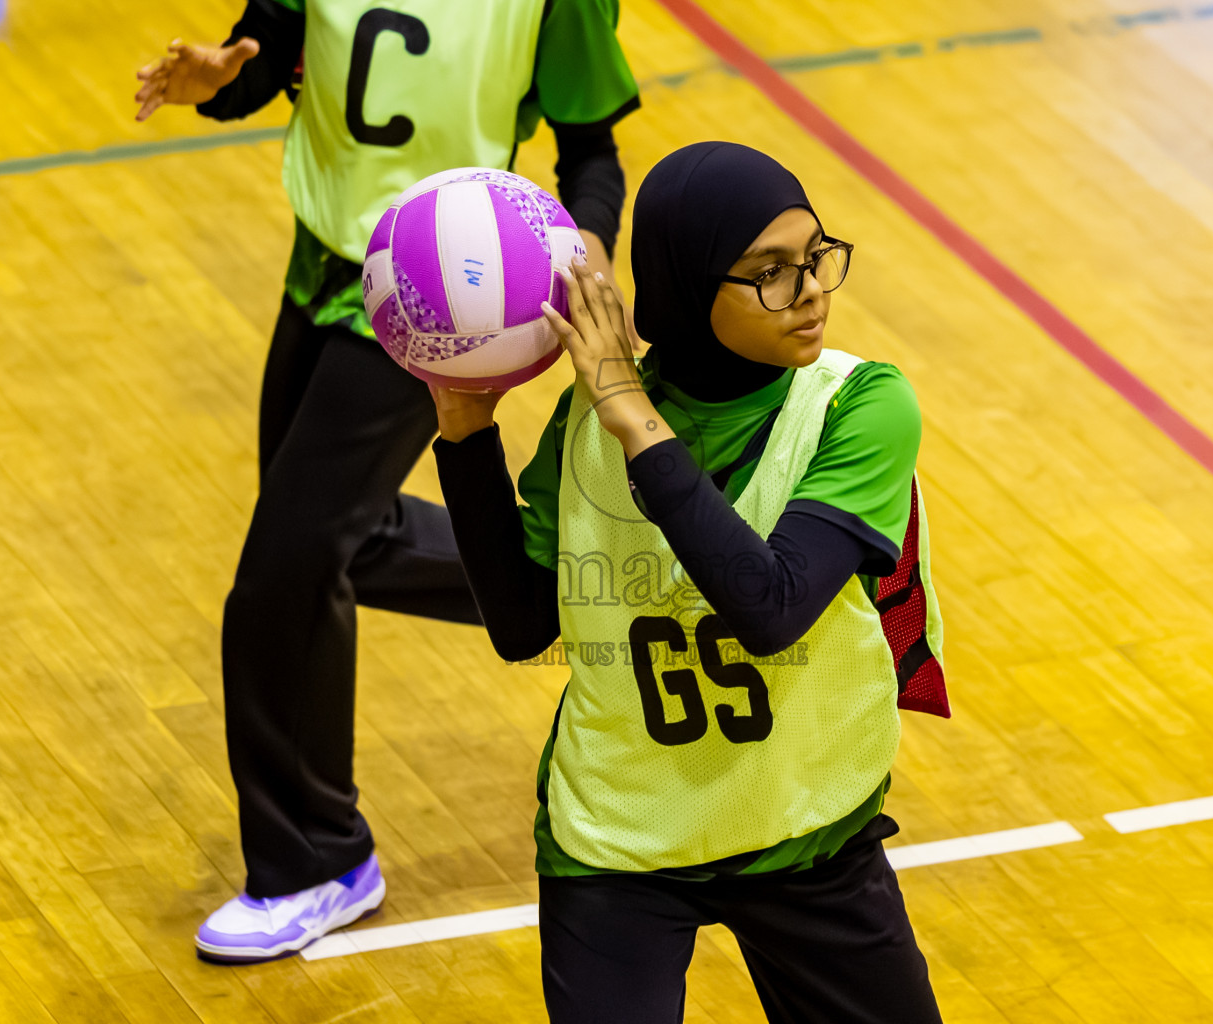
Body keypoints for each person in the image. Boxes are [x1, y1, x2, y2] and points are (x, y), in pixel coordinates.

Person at [132, 0, 640, 963]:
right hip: (325, 266)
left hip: (445, 292)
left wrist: (593, 262)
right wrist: (218, 80)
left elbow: (590, 150)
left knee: (282, 573)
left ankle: (316, 860)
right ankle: (578, 584)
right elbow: (268, 52)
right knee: (341, 540)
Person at [430, 141, 946, 1023]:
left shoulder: (862, 406)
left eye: (816, 256)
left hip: (807, 833)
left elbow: (770, 607)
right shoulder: (587, 423)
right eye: (769, 273)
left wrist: (631, 415)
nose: (812, 288)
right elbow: (520, 625)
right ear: (684, 287)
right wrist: (465, 430)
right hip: (620, 841)